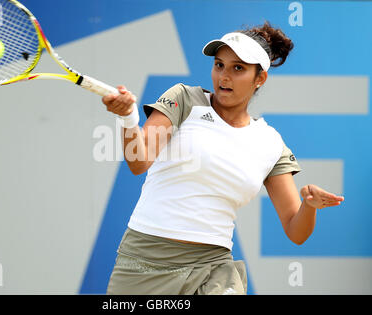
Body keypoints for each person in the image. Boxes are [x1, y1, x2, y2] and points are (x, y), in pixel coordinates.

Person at [100, 21, 345, 295]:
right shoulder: (184, 99)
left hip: (213, 267)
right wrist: (127, 118)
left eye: (238, 68)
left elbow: (296, 231)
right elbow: (139, 161)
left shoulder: (271, 143)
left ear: (260, 78)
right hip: (145, 262)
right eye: (219, 65)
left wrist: (309, 206)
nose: (223, 76)